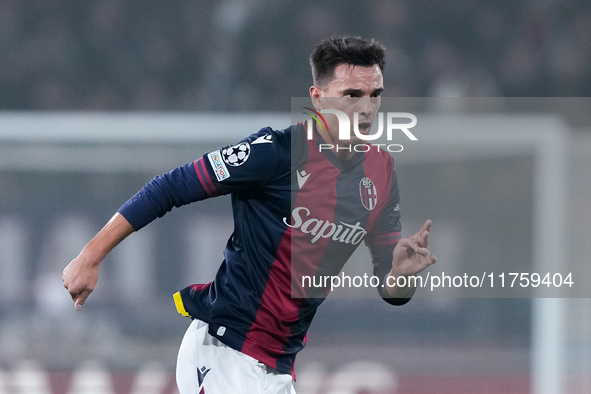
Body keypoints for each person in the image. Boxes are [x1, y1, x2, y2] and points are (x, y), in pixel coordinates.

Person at [63, 35, 436, 394]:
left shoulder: (381, 173)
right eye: (352, 95)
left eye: (375, 95)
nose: (366, 107)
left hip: (279, 366)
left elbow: (391, 289)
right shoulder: (273, 154)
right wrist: (91, 255)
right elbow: (169, 187)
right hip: (224, 348)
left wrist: (401, 275)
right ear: (318, 98)